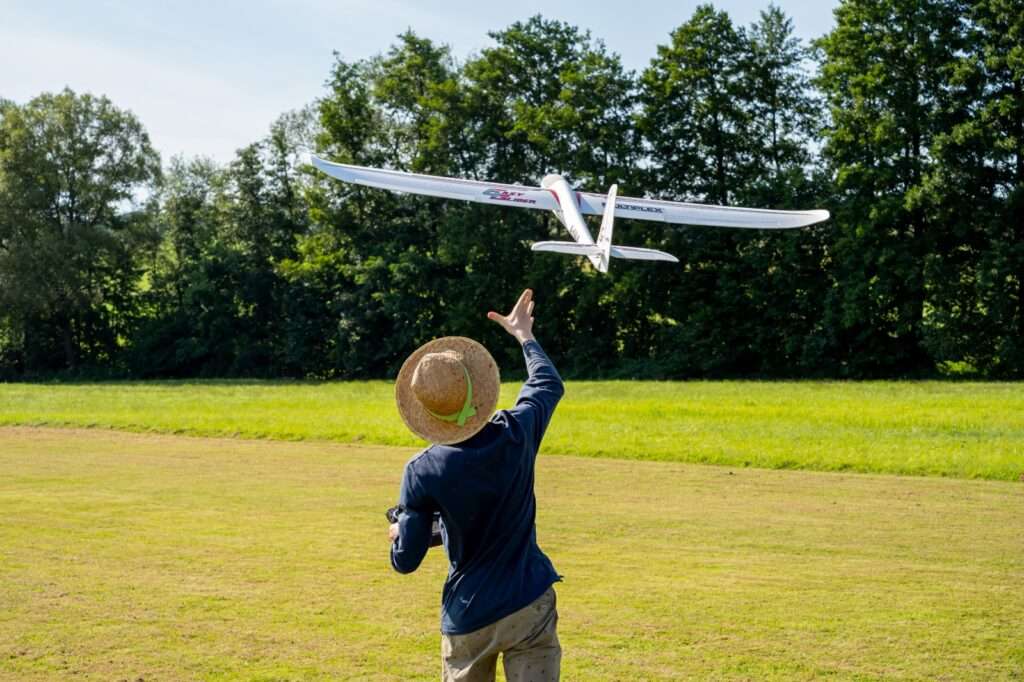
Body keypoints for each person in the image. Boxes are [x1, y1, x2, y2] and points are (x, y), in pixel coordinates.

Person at [388, 288, 564, 682]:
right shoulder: (516, 432)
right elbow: (548, 383)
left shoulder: (422, 470)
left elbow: (406, 560)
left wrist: (400, 530)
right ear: (476, 386)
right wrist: (524, 335)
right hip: (528, 597)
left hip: (469, 612)